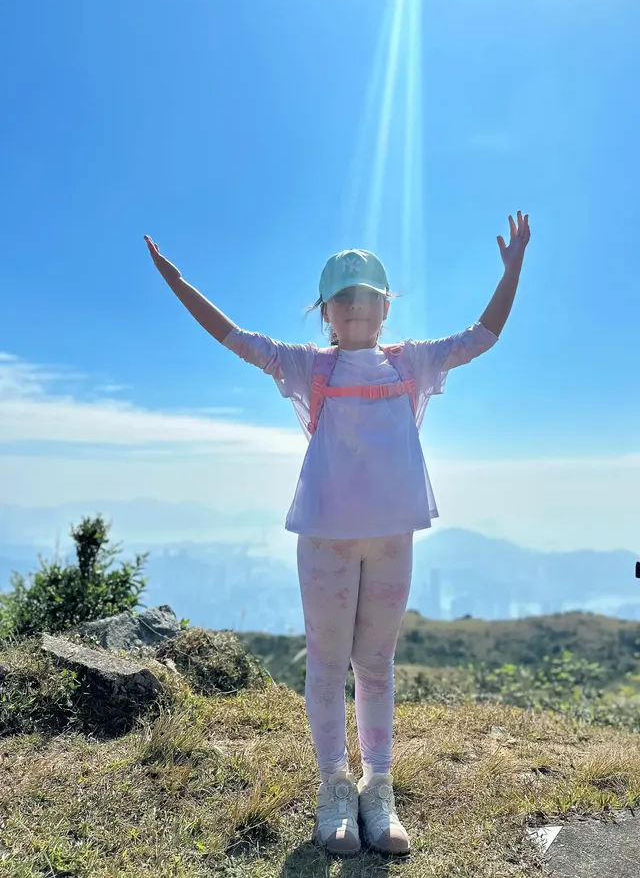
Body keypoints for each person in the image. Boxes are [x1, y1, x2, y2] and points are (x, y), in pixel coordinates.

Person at [144, 213, 530, 858]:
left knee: (375, 664)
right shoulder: (308, 367)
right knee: (327, 665)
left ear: (385, 307)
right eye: (344, 298)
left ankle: (378, 791)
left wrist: (512, 271)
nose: (357, 307)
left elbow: (485, 335)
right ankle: (334, 790)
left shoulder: (414, 362)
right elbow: (235, 338)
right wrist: (177, 281)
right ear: (326, 312)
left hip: (391, 537)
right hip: (326, 537)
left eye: (368, 296)